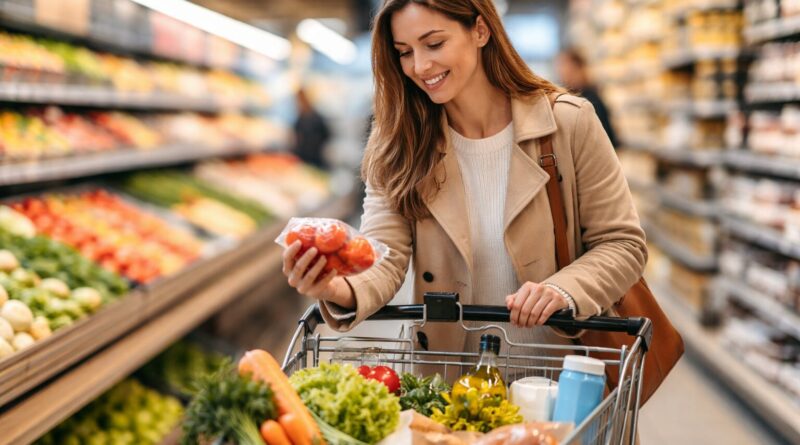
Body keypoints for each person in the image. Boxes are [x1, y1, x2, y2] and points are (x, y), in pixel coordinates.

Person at [282, 0, 646, 366]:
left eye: (435, 44)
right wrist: (336, 288)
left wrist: (563, 290)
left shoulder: (568, 122)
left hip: (551, 379)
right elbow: (383, 255)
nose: (420, 66)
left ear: (480, 30)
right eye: (405, 52)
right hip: (445, 383)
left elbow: (622, 243)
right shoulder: (398, 140)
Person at [555, 48, 618, 147]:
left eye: (564, 66)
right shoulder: (572, 96)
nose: (561, 71)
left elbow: (606, 137)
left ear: (578, 68)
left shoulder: (591, 98)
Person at [292, 88, 331, 170]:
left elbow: (326, 135)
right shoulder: (300, 118)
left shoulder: (316, 117)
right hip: (303, 158)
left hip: (315, 158)